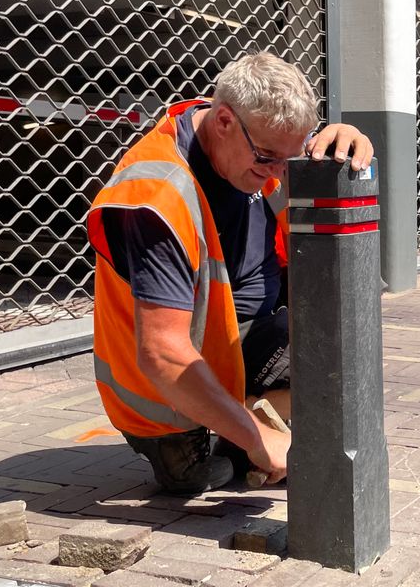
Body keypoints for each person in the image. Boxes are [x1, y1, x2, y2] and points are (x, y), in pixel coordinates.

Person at [85, 52, 373, 494]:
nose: (278, 173)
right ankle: (211, 433)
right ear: (222, 122)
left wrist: (343, 136)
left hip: (240, 340)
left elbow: (286, 142)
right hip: (162, 391)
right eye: (268, 159)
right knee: (205, 479)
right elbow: (163, 353)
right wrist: (258, 439)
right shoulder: (157, 195)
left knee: (339, 368)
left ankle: (234, 417)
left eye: (288, 159)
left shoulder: (253, 134)